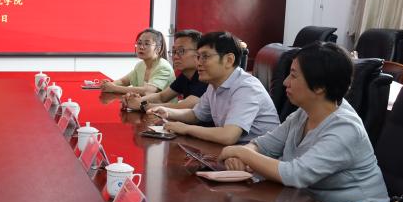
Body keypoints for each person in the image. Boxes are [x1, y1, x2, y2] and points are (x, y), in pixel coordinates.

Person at [218, 42, 389, 202]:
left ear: (319, 86)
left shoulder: (346, 129)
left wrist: (241, 153)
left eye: (293, 75)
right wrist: (242, 155)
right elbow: (262, 145)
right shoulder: (304, 113)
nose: (285, 82)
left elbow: (294, 174)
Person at [150, 31, 279, 145]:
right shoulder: (214, 84)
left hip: (260, 156)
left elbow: (228, 136)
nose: (198, 63)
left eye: (205, 57)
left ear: (229, 60)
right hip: (236, 152)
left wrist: (186, 128)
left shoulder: (246, 88)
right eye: (198, 57)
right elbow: (196, 115)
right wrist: (167, 112)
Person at [123, 29, 208, 110]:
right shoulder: (185, 76)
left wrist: (142, 105)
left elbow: (183, 106)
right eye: (174, 51)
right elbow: (161, 97)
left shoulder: (205, 77)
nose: (175, 56)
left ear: (199, 53)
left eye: (181, 51)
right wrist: (134, 100)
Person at [101, 28, 175, 96]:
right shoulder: (140, 65)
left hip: (161, 106)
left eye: (147, 44)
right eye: (139, 43)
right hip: (142, 105)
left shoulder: (163, 67)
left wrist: (114, 88)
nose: (141, 47)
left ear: (158, 49)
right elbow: (124, 81)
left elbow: (148, 91)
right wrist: (109, 84)